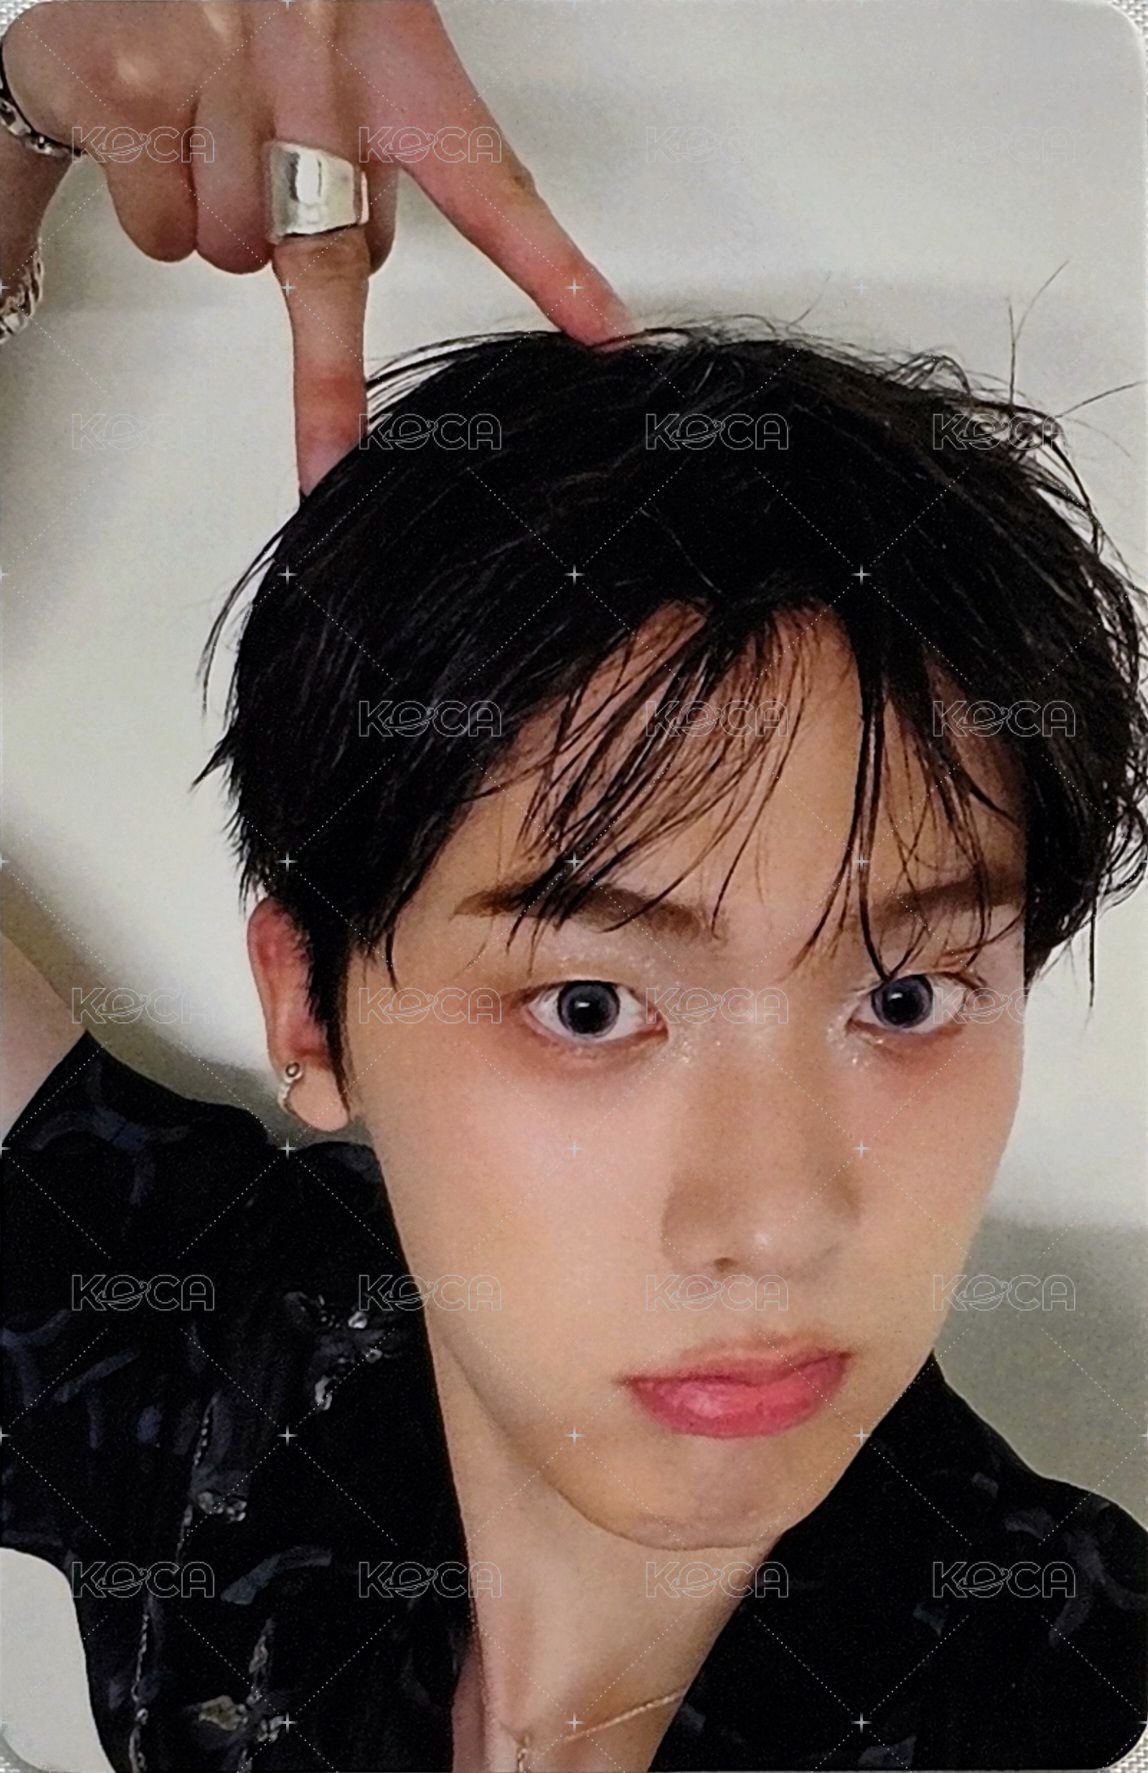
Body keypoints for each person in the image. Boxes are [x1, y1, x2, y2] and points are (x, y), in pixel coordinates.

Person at [4, 317, 1148, 1772]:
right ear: (312, 1012)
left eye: (907, 997)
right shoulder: (232, 1339)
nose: (776, 1224)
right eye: (592, 1005)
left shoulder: (1054, 1688)